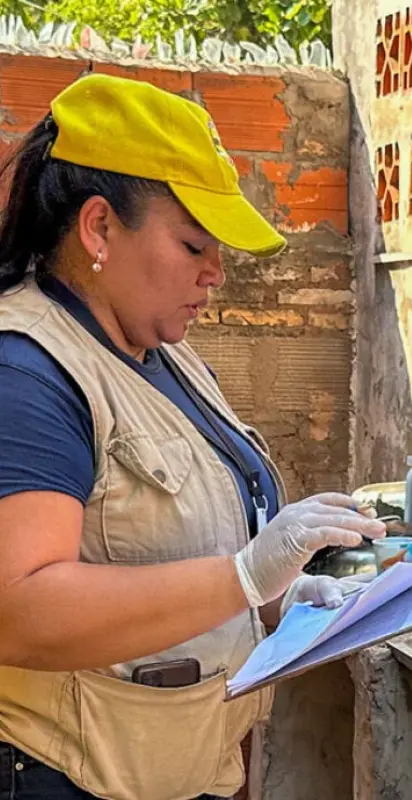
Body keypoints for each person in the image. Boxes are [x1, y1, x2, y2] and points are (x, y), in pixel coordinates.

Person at [0, 73, 385, 799]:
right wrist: (243, 574)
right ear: (99, 229)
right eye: (192, 244)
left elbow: (187, 545)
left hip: (185, 770)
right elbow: (18, 612)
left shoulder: (167, 356)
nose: (216, 273)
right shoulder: (26, 371)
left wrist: (286, 595)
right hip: (69, 779)